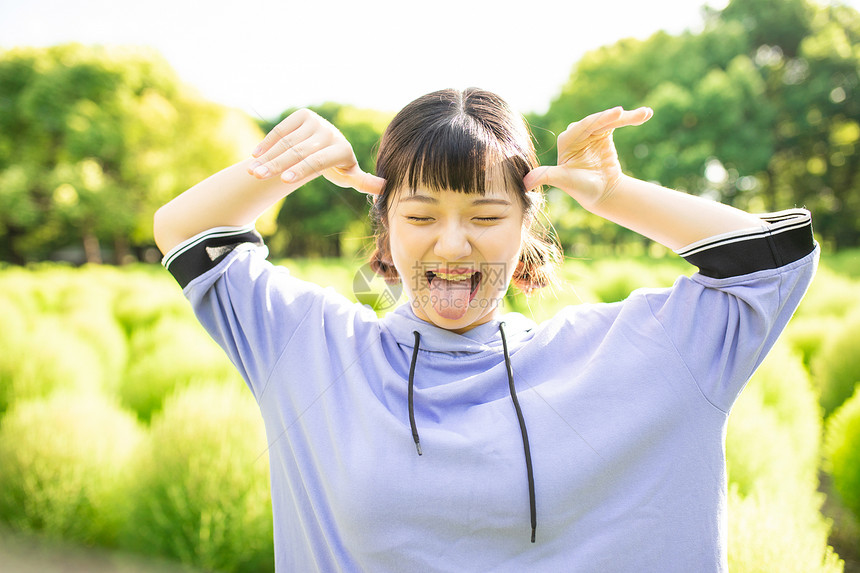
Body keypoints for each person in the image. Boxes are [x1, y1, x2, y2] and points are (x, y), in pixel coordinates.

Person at [153, 88, 818, 572]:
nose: (453, 244)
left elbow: (768, 263)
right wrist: (277, 168)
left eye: (485, 214)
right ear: (383, 224)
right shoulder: (312, 347)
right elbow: (184, 234)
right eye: (419, 216)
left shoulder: (624, 354)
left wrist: (616, 195)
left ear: (527, 223)